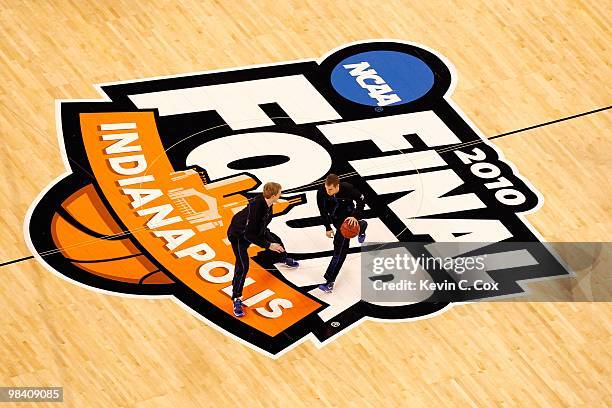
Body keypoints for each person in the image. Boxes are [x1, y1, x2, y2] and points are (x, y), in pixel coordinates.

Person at [227, 182, 299, 317]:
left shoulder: (268, 203)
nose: (281, 194)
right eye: (279, 193)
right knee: (243, 266)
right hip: (239, 236)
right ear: (273, 195)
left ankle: (282, 257)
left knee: (276, 241)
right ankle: (236, 298)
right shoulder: (257, 208)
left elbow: (261, 227)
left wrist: (270, 241)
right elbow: (249, 235)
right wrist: (268, 245)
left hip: (257, 230)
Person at [316, 174, 367, 293]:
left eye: (331, 189)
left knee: (339, 252)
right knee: (338, 248)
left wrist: (355, 216)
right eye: (326, 188)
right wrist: (327, 227)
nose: (328, 191)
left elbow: (362, 199)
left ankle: (330, 282)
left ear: (337, 186)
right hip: (336, 219)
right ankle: (362, 225)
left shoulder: (347, 188)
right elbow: (322, 211)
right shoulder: (321, 192)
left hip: (348, 218)